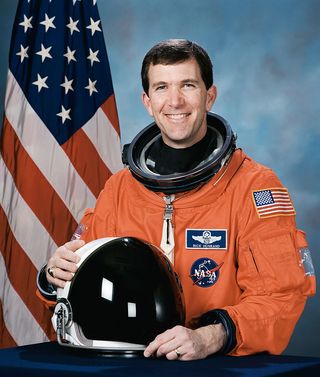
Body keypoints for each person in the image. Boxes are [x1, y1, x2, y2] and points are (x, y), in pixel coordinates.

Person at [37, 39, 315, 360]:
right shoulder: (120, 189)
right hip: (130, 363)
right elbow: (83, 287)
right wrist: (52, 278)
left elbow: (281, 296)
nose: (175, 101)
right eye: (161, 87)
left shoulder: (254, 187)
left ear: (209, 96)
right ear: (147, 101)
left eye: (188, 85)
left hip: (217, 365)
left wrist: (211, 335)